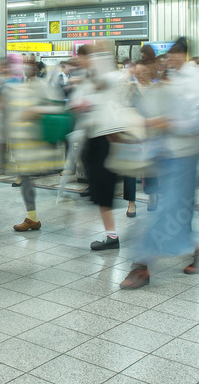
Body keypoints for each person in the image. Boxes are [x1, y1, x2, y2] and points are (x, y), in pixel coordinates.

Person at [121, 38, 199, 289]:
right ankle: (198, 250)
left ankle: (140, 265)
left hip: (185, 155)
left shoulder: (193, 82)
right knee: (177, 211)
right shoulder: (160, 85)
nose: (167, 62)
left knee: (165, 211)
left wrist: (167, 123)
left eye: (171, 57)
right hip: (164, 156)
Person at [70, 42, 136, 250]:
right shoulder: (89, 78)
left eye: (85, 58)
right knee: (100, 189)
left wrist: (86, 100)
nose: (82, 62)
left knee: (104, 188)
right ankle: (111, 235)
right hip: (95, 137)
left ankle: (113, 236)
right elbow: (76, 101)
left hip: (107, 138)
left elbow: (105, 84)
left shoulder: (106, 76)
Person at [3, 56, 65, 231]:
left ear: (36, 67)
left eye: (30, 64)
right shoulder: (23, 85)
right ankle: (32, 217)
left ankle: (36, 216)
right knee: (27, 180)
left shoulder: (42, 85)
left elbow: (57, 107)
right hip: (24, 143)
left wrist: (37, 110)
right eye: (25, 64)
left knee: (30, 179)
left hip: (38, 142)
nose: (26, 67)